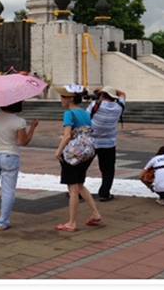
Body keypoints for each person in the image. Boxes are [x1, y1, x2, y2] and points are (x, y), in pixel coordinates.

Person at [0, 100, 39, 231]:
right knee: (8, 191)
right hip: (10, 156)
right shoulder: (19, 121)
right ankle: (3, 222)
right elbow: (23, 142)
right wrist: (33, 127)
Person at [53, 85, 102, 232]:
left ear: (70, 98)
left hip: (74, 153)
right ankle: (95, 213)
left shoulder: (69, 113)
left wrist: (58, 151)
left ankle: (72, 223)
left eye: (63, 97)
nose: (61, 100)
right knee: (80, 185)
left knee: (73, 188)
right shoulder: (85, 113)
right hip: (88, 151)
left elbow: (67, 135)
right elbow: (84, 131)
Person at [90, 86, 126, 202]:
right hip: (109, 143)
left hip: (91, 142)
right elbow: (123, 94)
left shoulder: (95, 105)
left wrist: (102, 89)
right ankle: (104, 193)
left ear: (102, 95)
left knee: (82, 167)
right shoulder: (119, 107)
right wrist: (111, 89)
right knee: (108, 170)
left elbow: (86, 118)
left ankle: (77, 190)